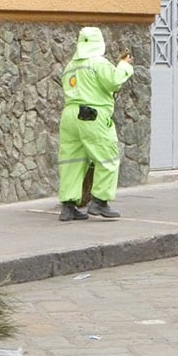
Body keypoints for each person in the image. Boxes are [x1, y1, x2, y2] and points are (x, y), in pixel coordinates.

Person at [58, 26, 134, 221]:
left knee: (71, 161)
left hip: (70, 116)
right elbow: (114, 82)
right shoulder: (97, 62)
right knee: (107, 158)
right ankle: (100, 201)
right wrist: (124, 65)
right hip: (92, 115)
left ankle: (68, 206)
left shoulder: (70, 66)